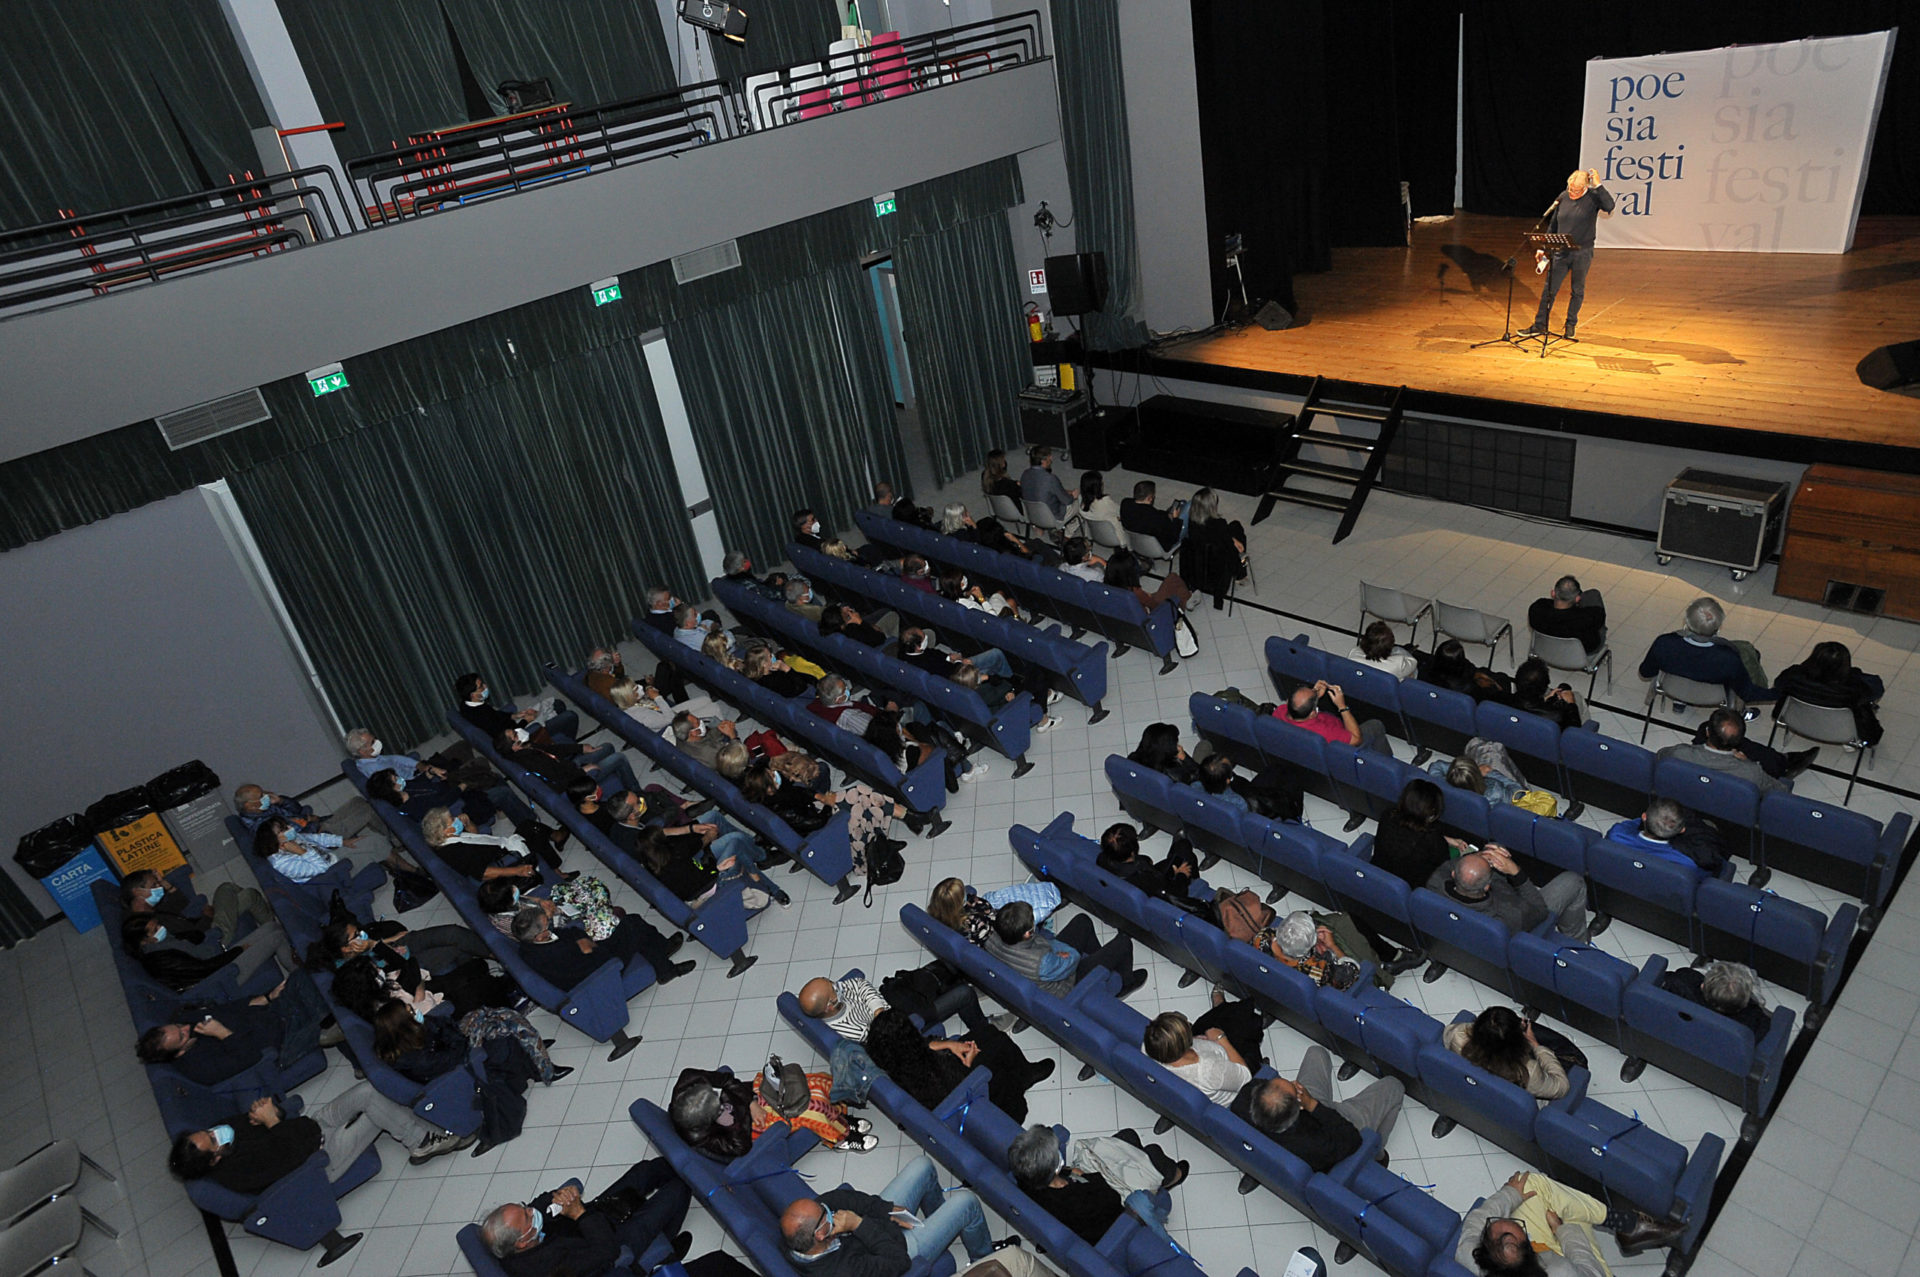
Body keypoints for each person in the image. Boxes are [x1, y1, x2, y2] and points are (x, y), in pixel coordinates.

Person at [169, 1084, 474, 1193]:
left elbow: (275, 1122)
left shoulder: (226, 1132)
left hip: (310, 1127)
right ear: (214, 1158)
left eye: (208, 1130)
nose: (215, 1132)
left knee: (368, 1092)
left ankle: (417, 1129)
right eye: (211, 1138)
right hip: (319, 1160)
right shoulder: (237, 1174)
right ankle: (422, 1142)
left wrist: (266, 1112)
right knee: (374, 1114)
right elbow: (290, 1157)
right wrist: (272, 1122)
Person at [779, 1153, 1001, 1277]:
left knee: (922, 1164)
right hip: (899, 1249)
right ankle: (983, 1257)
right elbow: (898, 1262)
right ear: (820, 1234)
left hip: (877, 1226)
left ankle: (939, 1219)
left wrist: (885, 1209)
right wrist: (858, 1225)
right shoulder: (843, 1272)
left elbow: (845, 1199)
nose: (827, 1206)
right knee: (966, 1202)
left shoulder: (802, 1229)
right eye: (825, 1212)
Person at [479, 1159, 694, 1277]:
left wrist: (560, 1197)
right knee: (678, 1190)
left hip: (588, 1218)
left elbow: (540, 1203)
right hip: (613, 1241)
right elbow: (606, 1251)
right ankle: (665, 1244)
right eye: (527, 1215)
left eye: (523, 1207)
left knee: (646, 1170)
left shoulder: (515, 1237)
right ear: (523, 1241)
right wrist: (579, 1214)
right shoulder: (549, 1268)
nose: (531, 1211)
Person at [1456, 1171, 1685, 1273]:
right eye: (1520, 1231)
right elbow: (1588, 1267)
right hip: (1585, 1270)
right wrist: (1563, 1230)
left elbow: (1475, 1222)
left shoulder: (1472, 1255)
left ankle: (1625, 1225)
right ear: (1529, 1247)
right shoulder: (1560, 1270)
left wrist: (1510, 1194)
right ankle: (1627, 1225)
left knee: (1530, 1186)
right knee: (1571, 1216)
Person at [135, 971, 337, 1084]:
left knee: (300, 977)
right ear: (178, 1053)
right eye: (181, 1035)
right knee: (324, 1018)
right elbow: (251, 1058)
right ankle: (330, 1015)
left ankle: (327, 1008)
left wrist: (268, 997)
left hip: (272, 1013)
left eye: (179, 1026)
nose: (186, 1028)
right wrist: (221, 1033)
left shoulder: (189, 1020)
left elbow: (231, 1008)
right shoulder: (200, 1069)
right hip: (280, 1043)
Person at [1231, 1045, 1404, 1172]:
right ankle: (1378, 1154)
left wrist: (1305, 1100)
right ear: (1298, 1107)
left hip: (1301, 1119)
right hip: (1332, 1125)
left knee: (1317, 1053)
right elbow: (1352, 1139)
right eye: (1294, 1087)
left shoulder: (1243, 1101)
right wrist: (1313, 1105)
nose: (1295, 1082)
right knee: (1394, 1086)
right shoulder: (1315, 1146)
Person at [1007, 1125, 1186, 1246]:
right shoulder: (1080, 1202)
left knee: (1127, 1136)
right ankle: (1173, 1176)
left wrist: (1071, 1174)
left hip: (1088, 1199)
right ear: (1054, 1167)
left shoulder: (1025, 1179)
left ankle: (1145, 1159)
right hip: (1113, 1214)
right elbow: (1113, 1197)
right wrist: (1085, 1176)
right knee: (1153, 1152)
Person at [1517, 167, 1615, 340]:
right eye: (1570, 189)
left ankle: (1570, 324)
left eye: (1576, 191)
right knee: (1549, 289)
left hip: (1582, 253)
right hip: (1560, 252)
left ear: (1585, 187)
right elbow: (1553, 225)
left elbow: (1609, 206)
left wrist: (1598, 184)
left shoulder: (1593, 197)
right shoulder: (1563, 197)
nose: (1572, 193)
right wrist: (1543, 248)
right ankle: (1539, 325)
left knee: (1577, 290)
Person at [511, 896, 695, 988]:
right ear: (540, 936)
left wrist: (583, 941)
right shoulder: (552, 954)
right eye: (546, 925)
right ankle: (666, 970)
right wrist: (588, 945)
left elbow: (570, 932)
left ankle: (662, 948)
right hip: (599, 970)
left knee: (632, 920)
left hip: (590, 956)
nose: (550, 924)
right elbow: (590, 960)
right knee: (632, 927)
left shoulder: (530, 943)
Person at [1426, 850, 1604, 943]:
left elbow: (1452, 865)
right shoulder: (1507, 914)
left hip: (1465, 931)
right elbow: (1539, 911)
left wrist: (1480, 856)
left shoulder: (1434, 883)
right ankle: (1578, 941)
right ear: (1487, 886)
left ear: (1453, 875)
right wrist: (1516, 873)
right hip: (1524, 922)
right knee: (1573, 881)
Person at [982, 900, 1145, 999]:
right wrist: (1061, 954)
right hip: (1066, 983)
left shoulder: (991, 937)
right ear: (1027, 933)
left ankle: (1102, 963)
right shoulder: (1042, 963)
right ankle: (1125, 984)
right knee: (1123, 942)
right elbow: (1072, 958)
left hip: (1043, 960)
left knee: (1082, 921)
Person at [1637, 597, 1775, 706]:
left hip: (1674, 687)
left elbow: (1646, 672)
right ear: (1718, 628)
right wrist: (1778, 693)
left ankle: (1679, 702)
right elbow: (1747, 692)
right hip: (1712, 696)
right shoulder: (1729, 657)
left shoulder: (1664, 643)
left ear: (1686, 623)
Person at [1142, 992, 1267, 1104]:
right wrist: (1221, 1039)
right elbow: (1245, 1077)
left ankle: (1222, 1007)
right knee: (1247, 1031)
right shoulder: (1209, 1071)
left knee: (1212, 1020)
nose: (1188, 1022)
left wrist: (1198, 1040)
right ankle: (1260, 1061)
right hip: (1228, 1073)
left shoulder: (1150, 1047)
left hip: (1207, 1050)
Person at [122, 909, 289, 992]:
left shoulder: (165, 940)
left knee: (270, 927)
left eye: (158, 924)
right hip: (223, 977)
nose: (161, 928)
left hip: (219, 958)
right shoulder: (159, 959)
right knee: (276, 937)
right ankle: (295, 966)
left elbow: (193, 937)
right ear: (144, 941)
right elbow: (205, 969)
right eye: (155, 929)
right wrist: (238, 950)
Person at [1656, 707, 1813, 791]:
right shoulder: (1751, 772)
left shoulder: (1679, 753)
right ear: (1739, 741)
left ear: (1707, 733)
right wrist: (1750, 763)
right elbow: (1781, 791)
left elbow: (1660, 756)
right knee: (1769, 760)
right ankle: (1784, 762)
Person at [1442, 1006, 1575, 1101]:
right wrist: (1535, 1045)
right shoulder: (1528, 1072)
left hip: (1477, 1083)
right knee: (1571, 1055)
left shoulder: (1457, 1035)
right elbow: (1562, 1087)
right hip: (1516, 1088)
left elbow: (1448, 1038)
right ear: (1517, 1041)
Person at [120, 868, 272, 947]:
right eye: (154, 885)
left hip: (203, 924)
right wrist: (207, 917)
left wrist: (166, 885)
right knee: (248, 895)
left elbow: (180, 905)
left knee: (228, 888)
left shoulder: (147, 908)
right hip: (212, 936)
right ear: (138, 892)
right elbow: (191, 939)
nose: (158, 887)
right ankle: (273, 926)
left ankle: (268, 919)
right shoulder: (145, 926)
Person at [1772, 639, 1885, 745]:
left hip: (1796, 721)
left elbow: (1778, 685)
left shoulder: (1793, 676)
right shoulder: (1854, 688)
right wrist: (1857, 674)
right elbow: (1876, 689)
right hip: (1841, 731)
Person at [1369, 779, 1467, 888]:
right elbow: (1443, 863)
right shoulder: (1432, 839)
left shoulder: (1388, 815)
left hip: (1377, 875)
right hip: (1411, 886)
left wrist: (1445, 839)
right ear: (1432, 812)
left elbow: (1406, 835)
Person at [1603, 796, 1725, 876]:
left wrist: (1652, 821)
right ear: (1682, 830)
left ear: (1644, 816)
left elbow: (1632, 824)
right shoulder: (1687, 863)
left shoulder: (1616, 835)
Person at [1655, 960, 1774, 1039]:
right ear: (1744, 1002)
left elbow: (1665, 978)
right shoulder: (1752, 1021)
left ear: (1702, 985)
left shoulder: (1682, 981)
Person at [1095, 824, 1200, 907]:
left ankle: (1176, 855)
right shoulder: (1145, 877)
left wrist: (1144, 861)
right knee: (1185, 850)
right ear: (1132, 851)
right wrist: (1181, 875)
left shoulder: (1102, 859)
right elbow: (1171, 894)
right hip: (1160, 887)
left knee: (1181, 848)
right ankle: (1193, 879)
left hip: (1145, 877)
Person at [1177, 487, 1248, 604]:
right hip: (1217, 568)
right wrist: (1233, 543)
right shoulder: (1220, 524)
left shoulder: (1192, 522)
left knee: (1234, 528)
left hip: (1198, 567)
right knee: (1237, 527)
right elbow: (1229, 549)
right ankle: (1241, 574)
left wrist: (1231, 539)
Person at [1527, 576, 1607, 655]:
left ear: (1553, 593)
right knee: (1593, 594)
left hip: (1545, 649)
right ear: (1577, 599)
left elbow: (1546, 603)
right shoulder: (1588, 617)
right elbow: (1599, 620)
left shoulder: (1536, 609)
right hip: (1582, 653)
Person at [1104, 549, 1193, 614]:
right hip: (1150, 616)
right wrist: (1148, 597)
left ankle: (1187, 598)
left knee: (1168, 589)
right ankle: (1186, 599)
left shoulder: (1106, 588)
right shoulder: (1134, 592)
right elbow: (1154, 605)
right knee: (1172, 578)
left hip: (1133, 616)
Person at [1510, 658, 1584, 730]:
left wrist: (1545, 700)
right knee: (1577, 696)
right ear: (1544, 689)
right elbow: (1574, 733)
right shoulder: (1557, 716)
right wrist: (1571, 704)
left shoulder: (1503, 700)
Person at [1119, 479, 1185, 550]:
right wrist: (1176, 519)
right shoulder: (1155, 517)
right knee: (1185, 505)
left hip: (1134, 542)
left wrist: (1165, 515)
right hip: (1158, 547)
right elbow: (1173, 537)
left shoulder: (1125, 503)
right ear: (1150, 498)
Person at [1129, 722, 1200, 786]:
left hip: (1145, 796)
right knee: (1204, 746)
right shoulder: (1175, 773)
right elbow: (1201, 777)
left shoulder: (1132, 759)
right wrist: (1185, 758)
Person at [1347, 621, 1419, 680]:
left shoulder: (1353, 655)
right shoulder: (1398, 663)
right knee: (1410, 669)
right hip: (1387, 694)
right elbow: (1413, 662)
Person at [1019, 445, 1075, 520]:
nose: (1051, 459)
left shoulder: (1025, 474)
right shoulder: (1050, 478)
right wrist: (1074, 496)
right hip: (1051, 517)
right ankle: (1068, 530)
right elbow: (1067, 500)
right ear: (1043, 461)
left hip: (1033, 515)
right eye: (1049, 456)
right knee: (1077, 503)